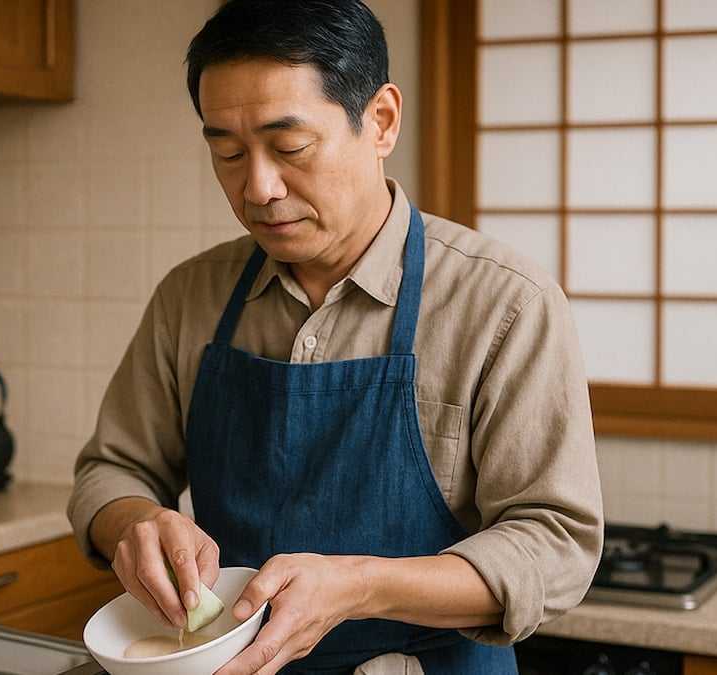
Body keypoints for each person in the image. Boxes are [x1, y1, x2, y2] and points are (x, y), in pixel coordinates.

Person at [67, 1, 604, 673]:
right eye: (227, 153)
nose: (258, 187)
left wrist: (361, 586)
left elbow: (556, 546)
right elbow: (111, 469)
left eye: (289, 147)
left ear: (381, 120)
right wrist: (134, 522)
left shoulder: (503, 303)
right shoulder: (191, 295)